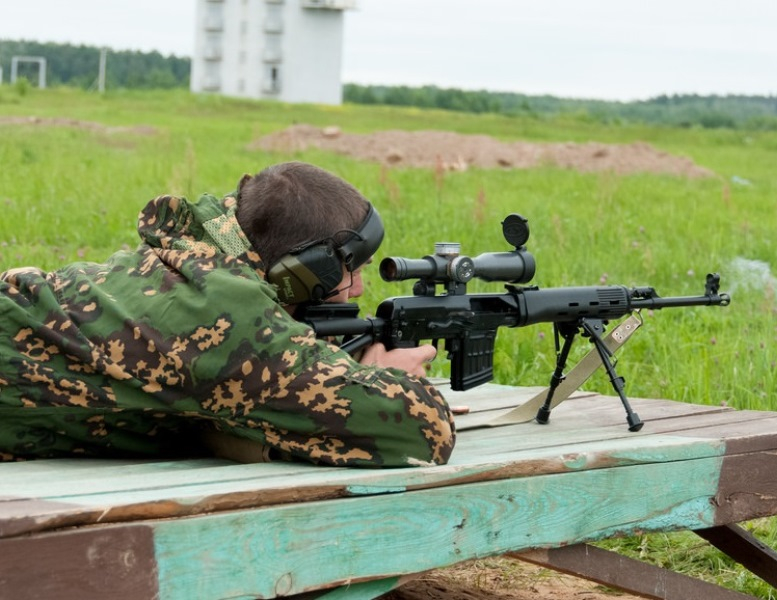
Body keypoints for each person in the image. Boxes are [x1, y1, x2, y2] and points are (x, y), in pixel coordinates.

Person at [0, 162, 455, 467]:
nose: (356, 288)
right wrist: (394, 376)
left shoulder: (196, 257)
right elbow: (422, 431)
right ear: (302, 271)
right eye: (349, 270)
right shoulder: (228, 315)